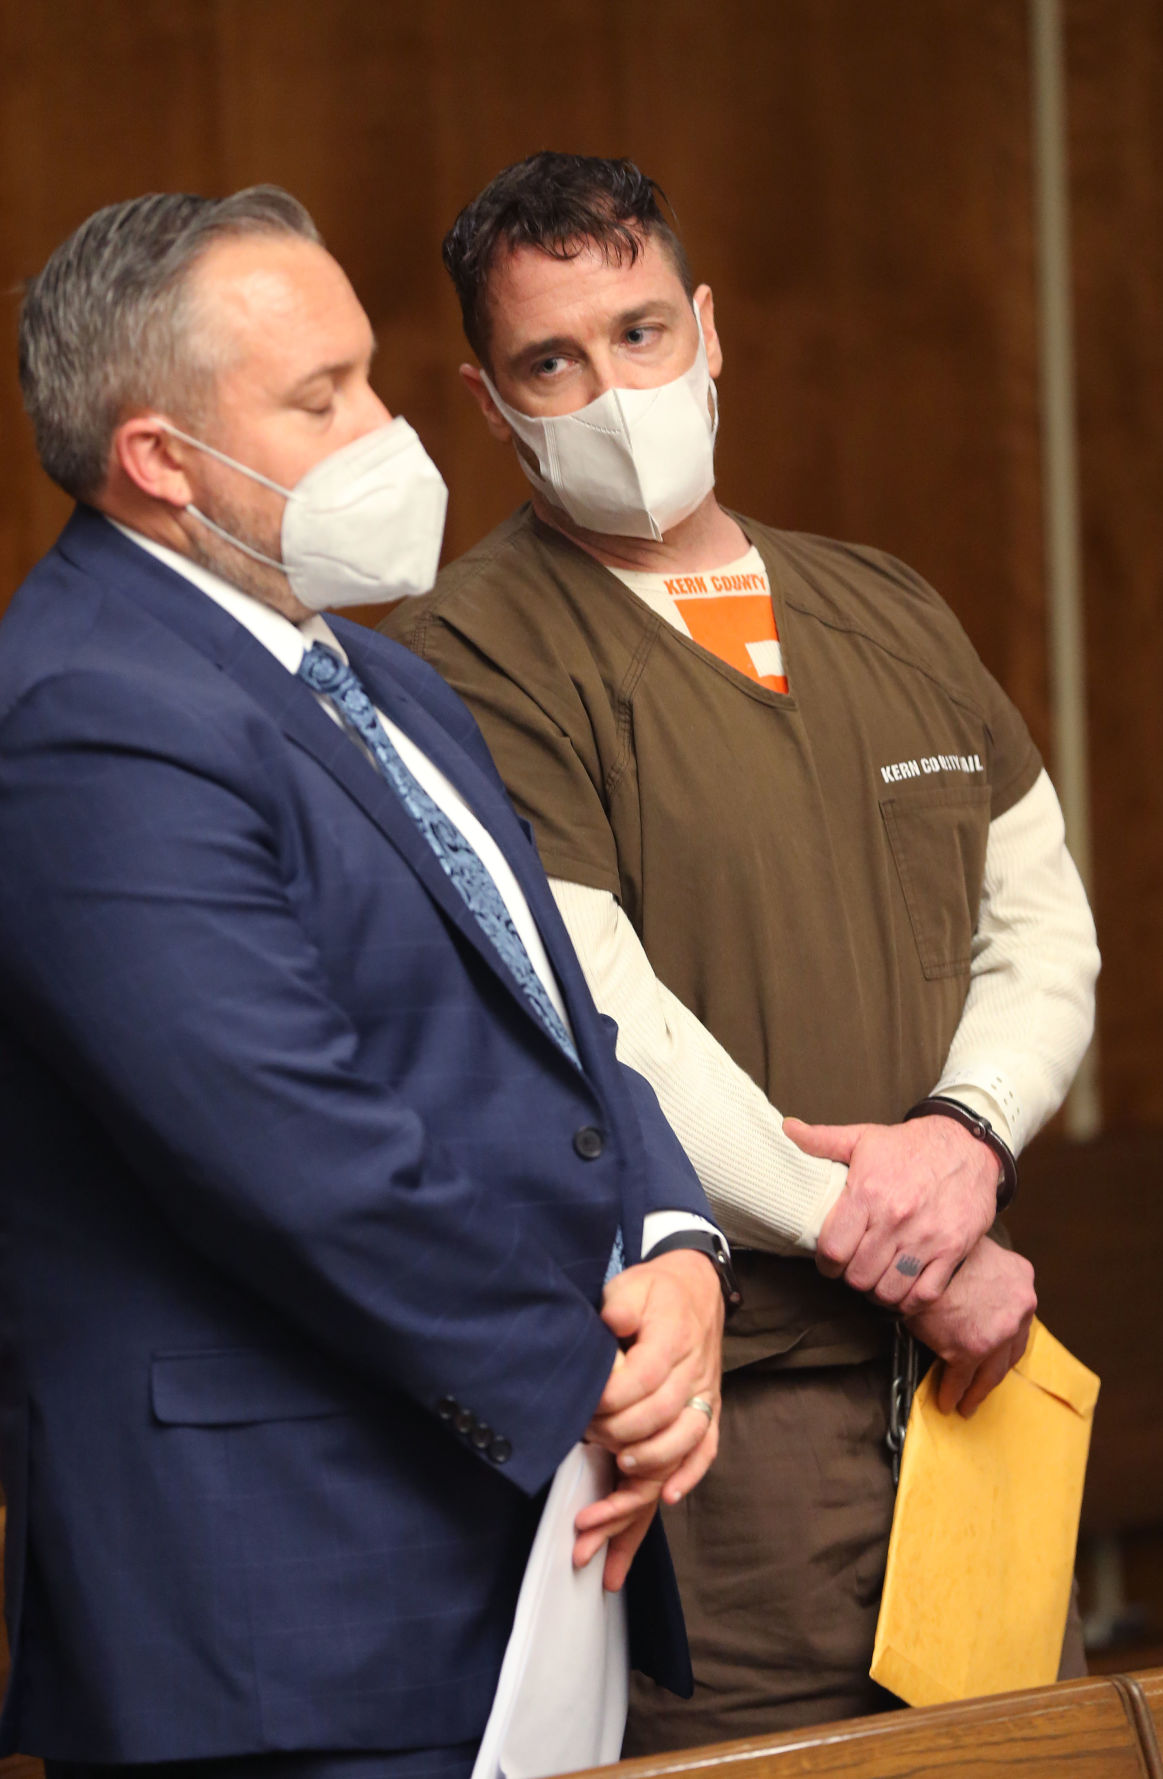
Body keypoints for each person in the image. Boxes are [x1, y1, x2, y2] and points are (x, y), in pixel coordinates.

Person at [0, 186, 733, 1779]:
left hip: (497, 1570)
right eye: (320, 397)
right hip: (288, 1611)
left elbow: (562, 1025)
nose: (385, 429)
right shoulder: (86, 712)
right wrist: (598, 1385)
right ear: (159, 460)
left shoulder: (379, 675)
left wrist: (676, 1249)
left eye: (369, 376)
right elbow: (288, 1148)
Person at [384, 152, 1101, 1746]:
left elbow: (1041, 928)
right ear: (488, 404)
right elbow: (603, 1021)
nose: (612, 391)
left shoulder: (885, 609)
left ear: (707, 329)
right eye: (551, 362)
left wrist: (969, 1134)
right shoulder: (472, 659)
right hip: (727, 1431)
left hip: (973, 1405)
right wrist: (918, 1255)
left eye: (640, 333)